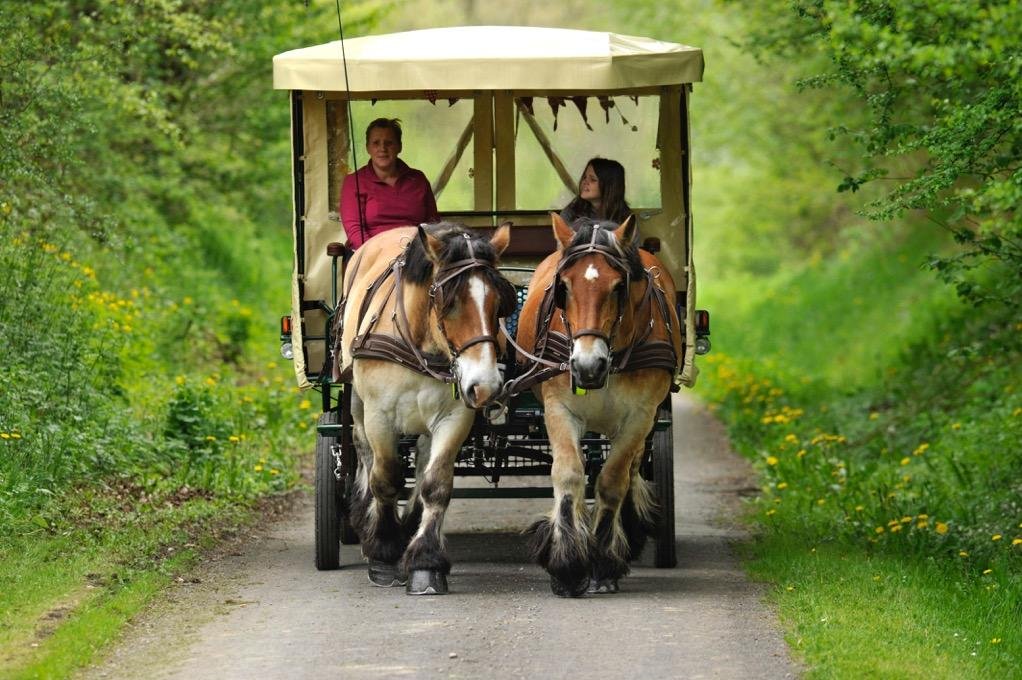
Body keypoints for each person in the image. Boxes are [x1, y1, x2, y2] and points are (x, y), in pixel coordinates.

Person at [340, 118, 440, 250]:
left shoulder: (418, 179)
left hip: (415, 252)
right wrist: (380, 253)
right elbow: (354, 230)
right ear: (368, 148)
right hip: (372, 255)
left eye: (389, 143)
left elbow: (433, 224)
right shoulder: (353, 181)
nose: (382, 148)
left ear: (399, 146)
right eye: (376, 143)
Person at [559, 157, 633, 226]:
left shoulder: (624, 217)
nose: (585, 181)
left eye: (593, 179)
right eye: (584, 177)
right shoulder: (571, 214)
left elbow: (632, 239)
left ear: (609, 186)